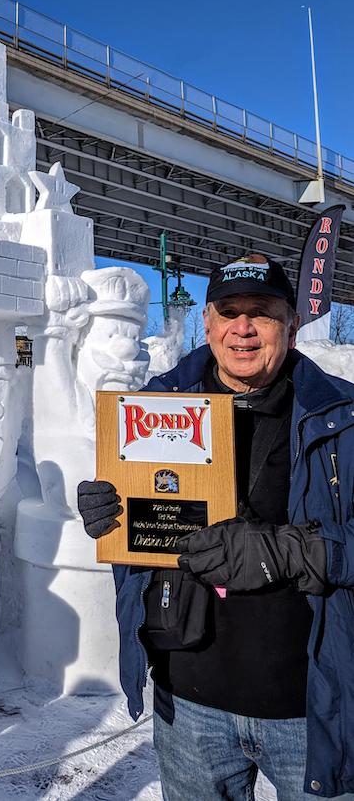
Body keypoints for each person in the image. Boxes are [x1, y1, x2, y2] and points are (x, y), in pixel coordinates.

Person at [77, 254, 354, 800]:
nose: (243, 329)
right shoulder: (157, 403)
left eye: (263, 313)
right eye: (229, 312)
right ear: (207, 321)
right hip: (190, 707)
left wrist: (287, 552)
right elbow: (148, 525)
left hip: (309, 709)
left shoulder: (341, 415)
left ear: (292, 324)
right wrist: (114, 516)